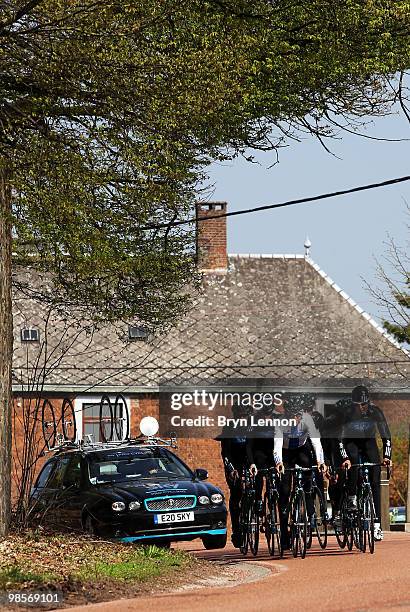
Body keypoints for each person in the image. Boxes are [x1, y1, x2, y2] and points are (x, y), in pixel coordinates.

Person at [340, 385, 392, 541]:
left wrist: (387, 456)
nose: (361, 408)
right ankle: (352, 497)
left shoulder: (375, 412)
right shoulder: (347, 413)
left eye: (364, 404)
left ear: (368, 403)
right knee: (354, 461)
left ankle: (377, 525)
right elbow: (338, 439)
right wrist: (345, 458)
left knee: (375, 480)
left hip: (369, 443)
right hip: (351, 443)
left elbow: (386, 436)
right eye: (357, 405)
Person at [274, 396, 327, 549]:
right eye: (292, 415)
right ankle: (284, 532)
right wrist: (278, 463)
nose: (295, 419)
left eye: (297, 415)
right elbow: (277, 446)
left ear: (301, 413)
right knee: (284, 489)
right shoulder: (280, 422)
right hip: (285, 452)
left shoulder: (307, 419)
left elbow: (316, 443)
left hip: (301, 450)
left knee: (308, 466)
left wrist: (320, 461)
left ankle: (308, 499)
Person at [218, 405, 249, 548]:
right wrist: (231, 469)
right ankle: (237, 530)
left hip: (249, 462)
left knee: (252, 489)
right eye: (240, 416)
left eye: (245, 416)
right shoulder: (229, 428)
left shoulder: (252, 427)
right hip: (233, 463)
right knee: (236, 493)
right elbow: (226, 453)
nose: (242, 419)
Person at [246, 404, 277, 513]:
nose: (266, 418)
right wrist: (251, 463)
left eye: (269, 415)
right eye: (265, 415)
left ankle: (272, 497)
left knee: (273, 474)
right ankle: (258, 499)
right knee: (259, 471)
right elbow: (249, 444)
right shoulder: (254, 420)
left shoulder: (277, 419)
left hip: (272, 452)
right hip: (258, 451)